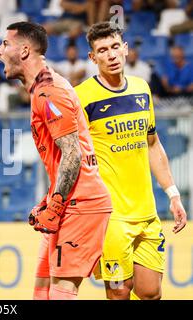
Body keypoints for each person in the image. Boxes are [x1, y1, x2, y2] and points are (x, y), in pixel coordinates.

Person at [0, 21, 112, 300]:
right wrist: (51, 198)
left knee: (62, 292)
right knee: (42, 292)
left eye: (5, 44)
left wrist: (56, 204)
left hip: (81, 204)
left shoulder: (50, 92)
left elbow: (72, 153)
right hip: (67, 202)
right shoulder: (41, 88)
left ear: (24, 51)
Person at [75, 22, 187, 300]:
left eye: (115, 47)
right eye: (102, 50)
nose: (111, 55)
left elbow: (152, 144)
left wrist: (173, 194)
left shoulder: (141, 88)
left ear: (125, 50)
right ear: (93, 58)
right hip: (111, 216)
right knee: (119, 292)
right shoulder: (82, 97)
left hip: (146, 212)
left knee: (150, 293)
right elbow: (72, 155)